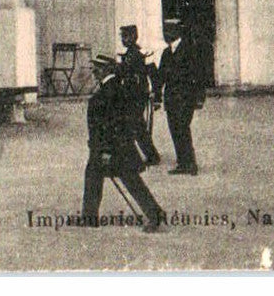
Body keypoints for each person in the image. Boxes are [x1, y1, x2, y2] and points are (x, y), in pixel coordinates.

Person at [81, 54, 164, 232]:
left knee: (115, 178)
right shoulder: (119, 88)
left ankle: (89, 218)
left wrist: (105, 151)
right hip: (120, 147)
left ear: (106, 70)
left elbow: (110, 126)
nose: (94, 72)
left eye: (97, 68)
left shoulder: (106, 94)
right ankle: (155, 214)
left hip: (109, 148)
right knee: (124, 179)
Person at [153, 17, 207, 175]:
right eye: (165, 30)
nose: (166, 34)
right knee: (175, 129)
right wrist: (157, 96)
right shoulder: (166, 52)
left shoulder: (190, 50)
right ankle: (183, 162)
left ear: (177, 31)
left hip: (186, 98)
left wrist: (200, 97)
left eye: (169, 30)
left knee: (182, 128)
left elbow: (199, 74)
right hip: (171, 98)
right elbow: (161, 76)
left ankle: (190, 163)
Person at [117, 24, 161, 166]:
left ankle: (152, 156)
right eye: (122, 36)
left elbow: (154, 75)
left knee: (137, 126)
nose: (123, 40)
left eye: (125, 36)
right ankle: (140, 155)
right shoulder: (129, 53)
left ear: (133, 37)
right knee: (133, 125)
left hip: (137, 95)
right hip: (129, 95)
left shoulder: (140, 53)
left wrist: (157, 97)